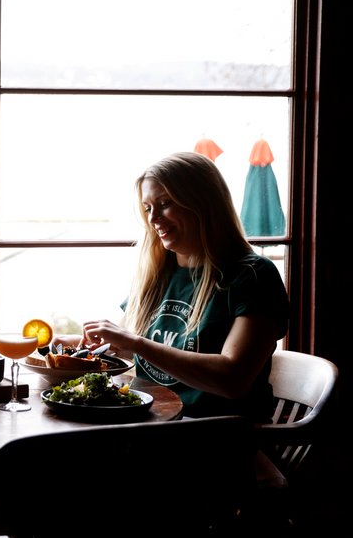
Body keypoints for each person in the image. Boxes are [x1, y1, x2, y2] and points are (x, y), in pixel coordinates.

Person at [78, 151, 289, 420]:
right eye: (147, 208)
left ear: (204, 204)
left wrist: (136, 343)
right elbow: (125, 346)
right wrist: (67, 348)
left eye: (165, 203)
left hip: (216, 437)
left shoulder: (253, 275)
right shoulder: (158, 273)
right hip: (152, 424)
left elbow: (233, 379)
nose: (153, 219)